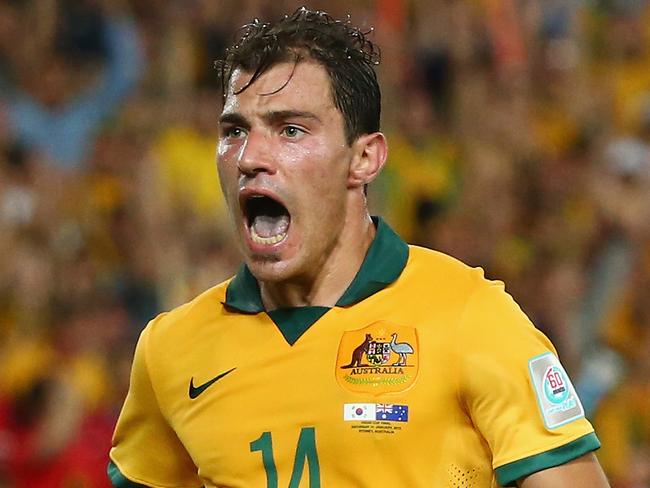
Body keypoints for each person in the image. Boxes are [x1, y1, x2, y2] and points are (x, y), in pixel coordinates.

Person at [108, 7, 610, 487]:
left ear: (364, 159)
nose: (250, 157)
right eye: (235, 131)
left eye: (291, 129)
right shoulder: (169, 351)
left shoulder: (470, 316)